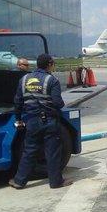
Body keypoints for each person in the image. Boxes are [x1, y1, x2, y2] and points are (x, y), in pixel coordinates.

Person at [9, 54, 72, 189]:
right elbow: (57, 102)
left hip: (31, 120)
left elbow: (18, 102)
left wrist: (18, 119)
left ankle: (19, 181)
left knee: (29, 151)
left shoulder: (24, 79)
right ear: (49, 64)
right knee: (52, 152)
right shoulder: (52, 80)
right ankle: (56, 182)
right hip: (49, 121)